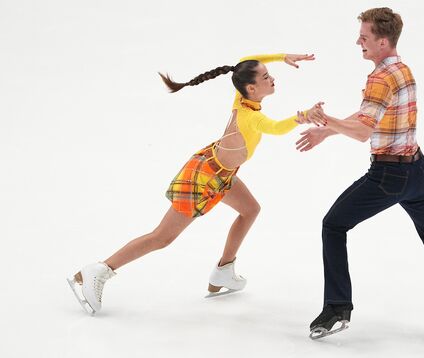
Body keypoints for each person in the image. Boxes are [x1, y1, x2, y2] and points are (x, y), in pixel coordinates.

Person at [67, 53, 325, 315]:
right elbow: (277, 128)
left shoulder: (244, 99)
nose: (272, 79)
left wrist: (282, 57)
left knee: (250, 210)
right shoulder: (250, 116)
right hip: (202, 178)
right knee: (162, 237)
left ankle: (224, 270)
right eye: (266, 77)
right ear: (251, 87)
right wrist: (303, 116)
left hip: (221, 173)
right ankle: (98, 271)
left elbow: (245, 61)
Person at [297, 8, 424, 341]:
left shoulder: (379, 77)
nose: (359, 41)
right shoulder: (401, 70)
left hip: (388, 176)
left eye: (365, 36)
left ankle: (337, 309)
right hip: (417, 170)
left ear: (382, 40)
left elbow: (361, 132)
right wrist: (325, 132)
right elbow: (370, 114)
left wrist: (324, 119)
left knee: (333, 225)